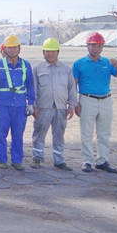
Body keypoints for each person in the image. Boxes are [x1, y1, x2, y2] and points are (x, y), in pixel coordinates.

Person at [73, 32, 117, 173]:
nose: (96, 49)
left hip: (106, 100)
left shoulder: (108, 63)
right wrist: (75, 103)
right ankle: (87, 161)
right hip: (87, 100)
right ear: (88, 46)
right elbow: (73, 85)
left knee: (104, 133)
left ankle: (102, 161)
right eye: (93, 45)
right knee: (86, 133)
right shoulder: (79, 64)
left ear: (102, 47)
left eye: (99, 46)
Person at [0, 35, 35, 170]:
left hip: (20, 105)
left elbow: (30, 85)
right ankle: (2, 160)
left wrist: (30, 103)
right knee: (1, 133)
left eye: (15, 47)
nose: (12, 50)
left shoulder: (26, 66)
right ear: (5, 49)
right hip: (2, 105)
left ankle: (17, 160)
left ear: (19, 48)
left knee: (18, 134)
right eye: (9, 48)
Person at [31, 38, 77, 171]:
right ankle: (37, 158)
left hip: (61, 107)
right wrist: (33, 105)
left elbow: (72, 88)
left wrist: (71, 106)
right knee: (39, 132)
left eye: (53, 51)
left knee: (59, 134)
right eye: (47, 51)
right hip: (43, 107)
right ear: (43, 52)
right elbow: (33, 88)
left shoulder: (66, 69)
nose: (50, 54)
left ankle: (59, 160)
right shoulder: (37, 68)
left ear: (58, 52)